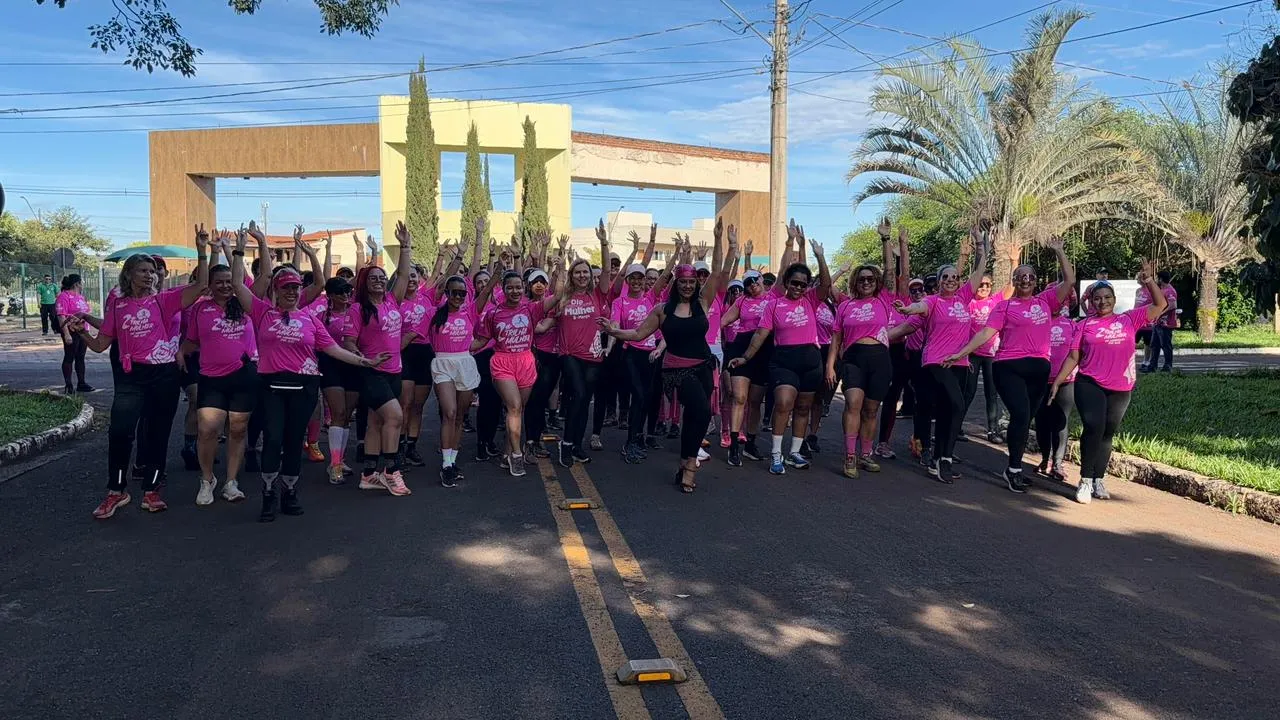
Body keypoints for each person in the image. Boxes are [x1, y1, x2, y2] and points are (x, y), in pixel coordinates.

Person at [233, 226, 386, 521]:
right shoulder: (262, 313)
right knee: (273, 439)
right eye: (285, 288)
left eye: (295, 287)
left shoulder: (310, 320)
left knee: (294, 441)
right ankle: (268, 493)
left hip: (304, 387)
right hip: (272, 385)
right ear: (276, 290)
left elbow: (334, 350)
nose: (291, 292)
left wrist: (365, 362)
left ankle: (289, 492)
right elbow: (239, 285)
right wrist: (240, 250)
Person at [70, 227, 209, 519]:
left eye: (152, 272)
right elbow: (100, 345)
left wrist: (202, 251)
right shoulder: (118, 306)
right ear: (129, 275)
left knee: (158, 433)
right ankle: (116, 491)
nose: (149, 275)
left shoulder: (164, 300)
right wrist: (81, 331)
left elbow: (201, 285)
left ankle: (152, 490)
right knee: (120, 431)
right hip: (131, 376)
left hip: (164, 375)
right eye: (143, 271)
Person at [600, 223, 733, 492]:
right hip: (677, 370)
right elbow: (639, 333)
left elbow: (718, 271)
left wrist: (719, 240)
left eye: (691, 282)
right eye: (683, 282)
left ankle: (684, 461)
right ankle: (691, 464)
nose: (687, 286)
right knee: (701, 410)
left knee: (696, 417)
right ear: (676, 283)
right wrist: (614, 332)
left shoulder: (703, 302)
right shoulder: (662, 309)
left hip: (704, 366)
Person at [944, 236, 1075, 493]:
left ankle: (1013, 467)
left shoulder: (1045, 301)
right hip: (1008, 367)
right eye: (1020, 276)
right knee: (1021, 414)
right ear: (1014, 281)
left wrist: (1060, 251)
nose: (1026, 280)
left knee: (1024, 420)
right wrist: (962, 353)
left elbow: (1069, 281)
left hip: (1039, 369)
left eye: (1030, 276)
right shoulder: (1004, 306)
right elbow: (986, 333)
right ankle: (1014, 470)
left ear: (1036, 281)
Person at [1050, 260, 1167, 504]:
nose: (1102, 302)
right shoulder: (1084, 325)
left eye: (1107, 297)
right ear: (1091, 302)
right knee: (1094, 427)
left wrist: (1148, 281)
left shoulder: (1129, 319)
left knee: (1107, 433)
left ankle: (1098, 478)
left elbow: (1160, 305)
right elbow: (1073, 357)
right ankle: (1085, 480)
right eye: (1097, 298)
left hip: (1121, 387)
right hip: (1089, 383)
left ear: (1114, 299)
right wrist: (1058, 382)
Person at [729, 220, 831, 475]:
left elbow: (826, 285)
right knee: (784, 402)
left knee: (803, 407)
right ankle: (776, 454)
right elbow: (760, 334)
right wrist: (745, 358)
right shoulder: (773, 305)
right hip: (784, 359)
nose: (798, 287)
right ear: (786, 282)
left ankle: (794, 452)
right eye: (794, 283)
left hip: (811, 359)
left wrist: (820, 257)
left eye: (803, 284)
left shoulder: (811, 300)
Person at [892, 227, 990, 483]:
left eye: (955, 277)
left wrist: (980, 246)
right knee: (957, 404)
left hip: (960, 362)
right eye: (946, 277)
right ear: (938, 281)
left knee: (949, 410)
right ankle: (943, 457)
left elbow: (979, 270)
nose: (951, 280)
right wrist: (906, 310)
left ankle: (939, 459)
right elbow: (919, 307)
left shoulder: (964, 297)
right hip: (936, 361)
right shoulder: (934, 301)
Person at [827, 220, 907, 478]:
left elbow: (889, 270)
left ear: (876, 282)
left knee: (872, 410)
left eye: (870, 279)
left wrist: (885, 240)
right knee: (853, 403)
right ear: (855, 282)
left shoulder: (884, 300)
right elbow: (836, 339)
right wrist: (830, 366)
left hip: (880, 359)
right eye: (861, 279)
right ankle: (850, 455)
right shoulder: (845, 306)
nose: (866, 282)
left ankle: (866, 454)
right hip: (854, 359)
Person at [183, 233, 258, 506]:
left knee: (238, 430)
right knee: (207, 430)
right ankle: (207, 480)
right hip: (211, 378)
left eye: (229, 281)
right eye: (220, 282)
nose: (226, 286)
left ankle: (231, 481)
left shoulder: (247, 305)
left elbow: (253, 279)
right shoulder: (200, 309)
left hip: (243, 375)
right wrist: (180, 352)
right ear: (210, 286)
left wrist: (236, 251)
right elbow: (192, 341)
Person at [351, 222, 416, 496]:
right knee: (395, 417)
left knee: (376, 422)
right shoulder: (358, 309)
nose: (378, 280)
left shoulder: (391, 301)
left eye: (381, 277)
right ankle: (391, 471)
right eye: (373, 278)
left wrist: (405, 246)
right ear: (365, 284)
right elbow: (348, 343)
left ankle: (368, 475)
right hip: (371, 373)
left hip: (393, 372)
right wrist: (364, 359)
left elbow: (402, 274)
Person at [550, 220, 617, 468]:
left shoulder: (597, 295)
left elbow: (607, 272)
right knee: (578, 395)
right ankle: (567, 443)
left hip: (593, 356)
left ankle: (576, 445)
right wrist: (560, 264)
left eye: (585, 272)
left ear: (590, 276)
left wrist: (604, 243)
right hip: (569, 354)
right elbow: (556, 288)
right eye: (577, 272)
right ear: (572, 275)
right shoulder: (564, 297)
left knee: (583, 400)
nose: (582, 275)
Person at [472, 268, 540, 476]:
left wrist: (561, 268)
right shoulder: (493, 314)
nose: (515, 291)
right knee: (514, 406)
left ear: (524, 288)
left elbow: (558, 296)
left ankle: (506, 453)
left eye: (518, 287)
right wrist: (455, 348)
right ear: (503, 289)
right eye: (510, 288)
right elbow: (482, 340)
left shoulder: (530, 309)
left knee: (517, 410)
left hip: (525, 361)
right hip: (502, 361)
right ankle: (517, 455)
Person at [423, 275, 485, 487]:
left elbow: (486, 292)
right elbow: (415, 335)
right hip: (442, 364)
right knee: (449, 412)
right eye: (454, 292)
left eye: (462, 293)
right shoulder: (433, 314)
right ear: (446, 293)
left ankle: (452, 461)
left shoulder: (470, 312)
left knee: (459, 416)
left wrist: (498, 270)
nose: (458, 296)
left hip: (465, 364)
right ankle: (445, 464)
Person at [720, 239, 773, 465]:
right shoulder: (742, 302)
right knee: (739, 397)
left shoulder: (773, 298)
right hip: (741, 346)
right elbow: (722, 321)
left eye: (755, 281)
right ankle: (733, 445)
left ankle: (750, 443)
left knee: (755, 401)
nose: (752, 286)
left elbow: (786, 271)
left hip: (764, 349)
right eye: (748, 283)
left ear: (762, 280)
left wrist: (792, 243)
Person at [312, 276, 360, 484]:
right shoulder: (321, 317)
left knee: (346, 415)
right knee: (338, 413)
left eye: (348, 291)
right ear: (330, 295)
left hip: (353, 366)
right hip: (330, 366)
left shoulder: (356, 313)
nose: (346, 295)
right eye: (341, 291)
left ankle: (340, 459)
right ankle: (335, 463)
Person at [397, 265, 436, 468]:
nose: (411, 280)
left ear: (419, 278)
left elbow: (442, 276)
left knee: (418, 406)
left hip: (424, 353)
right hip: (403, 353)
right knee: (406, 403)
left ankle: (411, 446)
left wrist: (451, 255)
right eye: (406, 276)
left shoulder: (427, 297)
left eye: (413, 276)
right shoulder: (394, 301)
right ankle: (398, 447)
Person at [1036, 294, 1077, 482]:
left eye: (1060, 301)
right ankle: (1045, 459)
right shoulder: (1036, 323)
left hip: (1065, 380)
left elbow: (1078, 352)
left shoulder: (1071, 325)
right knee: (1042, 421)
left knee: (1061, 421)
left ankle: (1058, 463)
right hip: (1039, 380)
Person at [55, 274, 93, 394]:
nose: (83, 284)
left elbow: (86, 313)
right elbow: (61, 316)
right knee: (69, 356)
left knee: (80, 357)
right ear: (77, 283)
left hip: (83, 330)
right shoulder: (64, 296)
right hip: (71, 330)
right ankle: (68, 385)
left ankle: (82, 383)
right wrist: (66, 334)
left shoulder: (81, 297)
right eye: (82, 282)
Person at [1142, 270, 1178, 373]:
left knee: (1166, 345)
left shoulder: (1170, 290)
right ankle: (1152, 366)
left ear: (1161, 279)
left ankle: (1168, 366)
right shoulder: (1162, 290)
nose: (1156, 280)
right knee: (1154, 344)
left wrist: (1160, 313)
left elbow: (1173, 305)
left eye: (1158, 278)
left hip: (1166, 323)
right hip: (1158, 322)